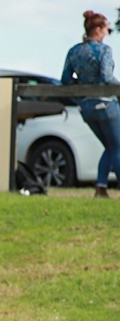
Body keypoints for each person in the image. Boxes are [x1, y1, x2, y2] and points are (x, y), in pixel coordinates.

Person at [62, 10, 120, 197]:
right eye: (106, 29)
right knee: (117, 147)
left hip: (87, 108)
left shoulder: (74, 51)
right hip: (106, 106)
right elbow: (106, 76)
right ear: (98, 29)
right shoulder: (104, 50)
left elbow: (65, 80)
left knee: (110, 147)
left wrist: (82, 91)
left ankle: (101, 187)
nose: (107, 33)